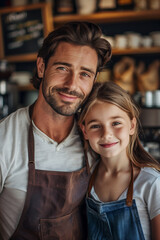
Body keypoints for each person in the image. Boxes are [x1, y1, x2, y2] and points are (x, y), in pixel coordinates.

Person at [0, 22, 112, 239]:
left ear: (94, 80)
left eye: (85, 74)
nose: (72, 84)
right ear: (41, 67)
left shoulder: (97, 139)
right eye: (63, 68)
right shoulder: (5, 139)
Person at [78, 81, 160, 240]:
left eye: (116, 123)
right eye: (95, 126)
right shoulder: (87, 177)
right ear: (84, 131)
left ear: (132, 125)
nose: (106, 134)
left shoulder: (151, 183)